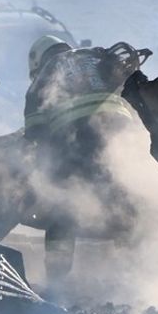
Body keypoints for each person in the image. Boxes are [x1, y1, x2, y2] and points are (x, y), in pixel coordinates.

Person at [24, 35, 139, 291]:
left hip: (78, 133)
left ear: (39, 60)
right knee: (122, 195)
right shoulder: (97, 55)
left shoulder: (49, 69)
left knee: (62, 203)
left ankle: (56, 277)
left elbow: (35, 126)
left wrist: (44, 167)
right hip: (121, 130)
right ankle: (133, 269)